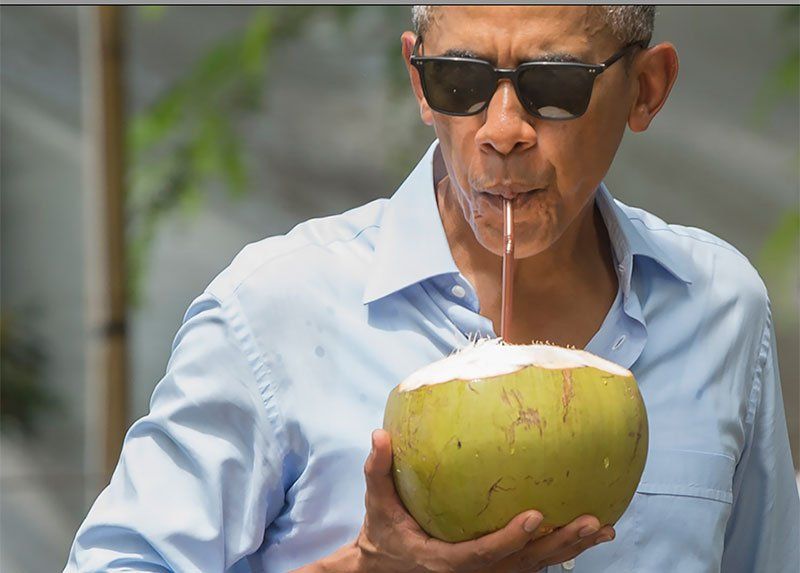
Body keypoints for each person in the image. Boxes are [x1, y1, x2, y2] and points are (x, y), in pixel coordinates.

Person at [65, 5, 799, 573]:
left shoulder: (718, 307)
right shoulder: (279, 307)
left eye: (554, 85)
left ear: (646, 89)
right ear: (419, 82)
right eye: (462, 81)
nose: (502, 130)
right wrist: (364, 565)